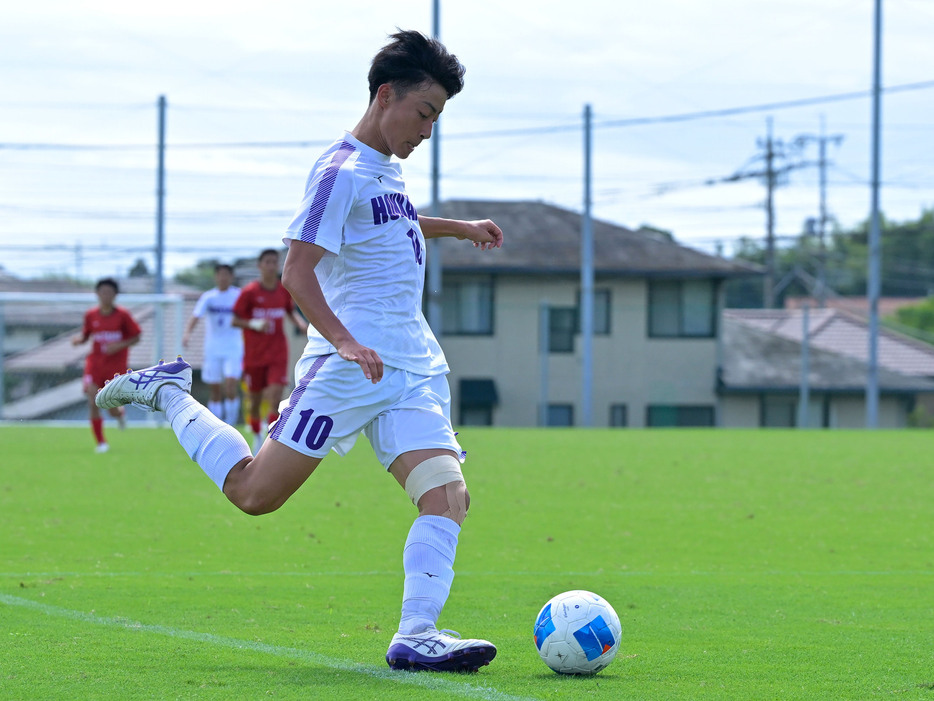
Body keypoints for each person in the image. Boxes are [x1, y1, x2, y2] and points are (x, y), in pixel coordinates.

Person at [96, 30, 503, 673]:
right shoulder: (338, 171)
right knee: (256, 494)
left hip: (410, 365)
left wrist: (460, 227)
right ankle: (171, 393)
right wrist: (344, 340)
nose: (428, 130)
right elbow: (296, 271)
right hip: (348, 368)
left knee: (447, 495)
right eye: (424, 113)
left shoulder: (385, 171)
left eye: (437, 119)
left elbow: (392, 220)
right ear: (386, 94)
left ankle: (417, 635)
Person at [232, 249, 308, 452]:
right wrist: (255, 324)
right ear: (260, 266)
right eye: (268, 262)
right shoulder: (249, 293)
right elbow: (235, 320)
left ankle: (269, 443)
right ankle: (257, 436)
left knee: (274, 397)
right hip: (254, 355)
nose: (272, 266)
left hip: (277, 353)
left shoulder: (282, 290)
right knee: (255, 401)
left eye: (275, 262)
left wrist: (302, 324)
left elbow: (290, 311)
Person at [72, 277, 141, 452]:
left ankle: (120, 415)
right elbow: (86, 335)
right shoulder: (91, 315)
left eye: (109, 292)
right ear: (97, 294)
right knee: (93, 400)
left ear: (115, 295)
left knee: (111, 408)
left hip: (116, 367)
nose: (105, 296)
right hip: (95, 364)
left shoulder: (123, 315)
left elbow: (136, 336)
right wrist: (79, 341)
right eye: (102, 292)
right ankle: (101, 443)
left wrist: (119, 345)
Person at [182, 263, 244, 426]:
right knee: (215, 388)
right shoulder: (209, 297)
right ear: (216, 277)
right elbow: (196, 316)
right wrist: (187, 333)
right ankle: (216, 424)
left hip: (233, 347)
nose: (223, 278)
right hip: (213, 348)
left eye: (226, 274)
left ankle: (231, 424)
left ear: (231, 277)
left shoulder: (239, 295)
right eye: (220, 274)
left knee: (231, 386)